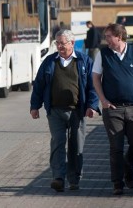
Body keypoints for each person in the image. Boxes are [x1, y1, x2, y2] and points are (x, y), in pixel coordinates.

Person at [30, 29, 99, 192]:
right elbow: (39, 84)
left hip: (77, 111)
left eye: (63, 43)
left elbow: (92, 86)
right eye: (57, 43)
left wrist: (92, 106)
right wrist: (35, 106)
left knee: (76, 145)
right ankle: (58, 178)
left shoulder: (83, 60)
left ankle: (74, 179)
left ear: (72, 43)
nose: (60, 46)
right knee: (57, 143)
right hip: (55, 111)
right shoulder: (49, 61)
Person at [92, 23, 133, 195]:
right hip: (113, 109)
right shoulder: (103, 54)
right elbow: (96, 78)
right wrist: (102, 100)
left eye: (108, 36)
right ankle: (117, 183)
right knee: (116, 147)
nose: (106, 40)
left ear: (119, 36)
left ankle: (128, 167)